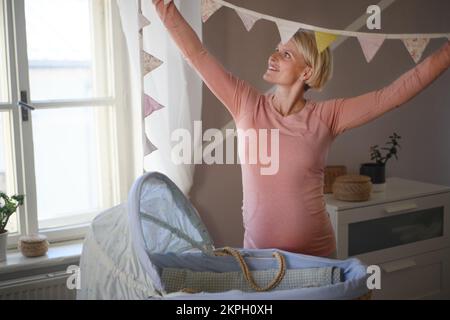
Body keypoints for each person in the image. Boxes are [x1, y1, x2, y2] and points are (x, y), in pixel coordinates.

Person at [152, 0, 450, 258]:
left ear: (306, 72)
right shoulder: (246, 103)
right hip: (259, 259)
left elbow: (393, 95)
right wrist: (163, 7)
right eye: (276, 49)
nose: (273, 56)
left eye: (286, 54)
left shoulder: (327, 116)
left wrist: (447, 54)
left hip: (317, 255)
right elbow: (198, 57)